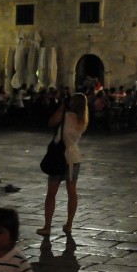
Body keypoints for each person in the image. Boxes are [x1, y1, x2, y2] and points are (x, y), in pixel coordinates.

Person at [37, 92, 88, 236]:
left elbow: (51, 122)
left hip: (58, 157)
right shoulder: (83, 120)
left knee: (51, 194)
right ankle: (69, 224)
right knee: (72, 193)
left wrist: (61, 107)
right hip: (74, 158)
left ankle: (47, 226)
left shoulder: (66, 116)